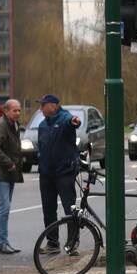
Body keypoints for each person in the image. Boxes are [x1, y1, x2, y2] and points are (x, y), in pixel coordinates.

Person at [36, 94, 82, 252]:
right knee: (48, 209)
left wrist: (74, 121)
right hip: (47, 173)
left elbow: (71, 121)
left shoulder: (64, 119)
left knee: (69, 209)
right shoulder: (42, 125)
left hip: (64, 172)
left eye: (43, 105)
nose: (41, 108)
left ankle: (73, 242)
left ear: (53, 105)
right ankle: (52, 243)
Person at [0, 98, 23, 254]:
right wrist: (9, 163)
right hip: (1, 172)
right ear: (6, 111)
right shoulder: (1, 125)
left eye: (19, 110)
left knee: (6, 208)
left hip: (10, 172)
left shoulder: (14, 124)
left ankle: (4, 241)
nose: (18, 113)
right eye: (15, 110)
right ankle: (1, 242)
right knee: (5, 207)